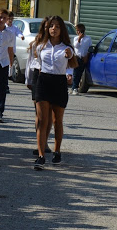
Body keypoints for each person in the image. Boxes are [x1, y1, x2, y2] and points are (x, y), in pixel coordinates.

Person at [33, 16, 74, 170]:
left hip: (59, 83)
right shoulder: (41, 46)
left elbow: (70, 59)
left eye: (57, 26)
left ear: (61, 29)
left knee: (57, 121)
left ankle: (57, 151)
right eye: (51, 26)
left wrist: (69, 56)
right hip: (43, 82)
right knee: (43, 121)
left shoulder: (66, 47)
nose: (53, 29)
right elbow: (38, 65)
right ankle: (41, 155)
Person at [26, 17, 52, 157]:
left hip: (52, 77)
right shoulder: (36, 44)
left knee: (50, 114)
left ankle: (45, 141)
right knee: (39, 113)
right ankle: (40, 143)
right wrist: (28, 80)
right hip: (38, 76)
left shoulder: (59, 44)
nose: (50, 29)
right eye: (47, 26)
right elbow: (30, 62)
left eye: (52, 26)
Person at [71, 23, 91, 96]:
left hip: (84, 58)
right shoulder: (76, 38)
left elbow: (89, 48)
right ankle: (74, 88)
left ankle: (75, 87)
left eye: (78, 30)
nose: (77, 32)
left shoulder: (88, 38)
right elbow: (76, 46)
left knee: (81, 73)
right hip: (77, 57)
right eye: (77, 31)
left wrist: (87, 56)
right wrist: (79, 38)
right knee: (76, 73)